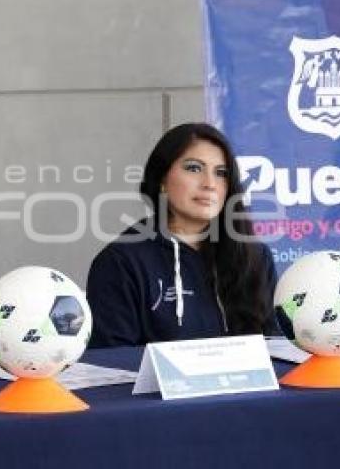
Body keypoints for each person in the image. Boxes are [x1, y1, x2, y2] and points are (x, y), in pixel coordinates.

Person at [86, 122, 277, 347]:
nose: (209, 184)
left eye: (221, 173)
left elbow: (274, 347)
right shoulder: (121, 263)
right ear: (162, 180)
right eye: (194, 168)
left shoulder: (255, 256)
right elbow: (111, 365)